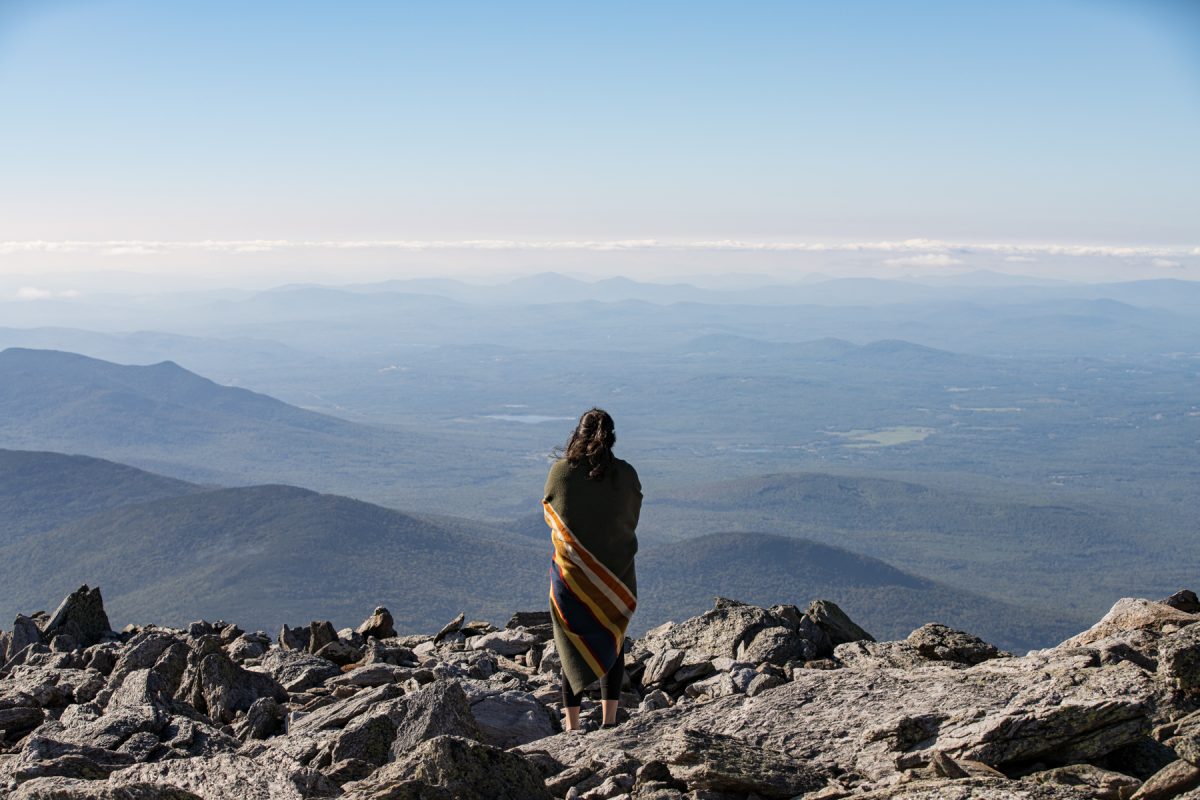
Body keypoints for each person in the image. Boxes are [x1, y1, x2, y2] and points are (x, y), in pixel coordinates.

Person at [543, 408, 641, 731]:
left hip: (571, 576)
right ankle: (608, 720)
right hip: (615, 576)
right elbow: (631, 514)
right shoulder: (625, 476)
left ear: (578, 434)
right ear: (611, 438)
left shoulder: (561, 473)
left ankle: (571, 725)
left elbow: (551, 511)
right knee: (612, 639)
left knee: (570, 641)